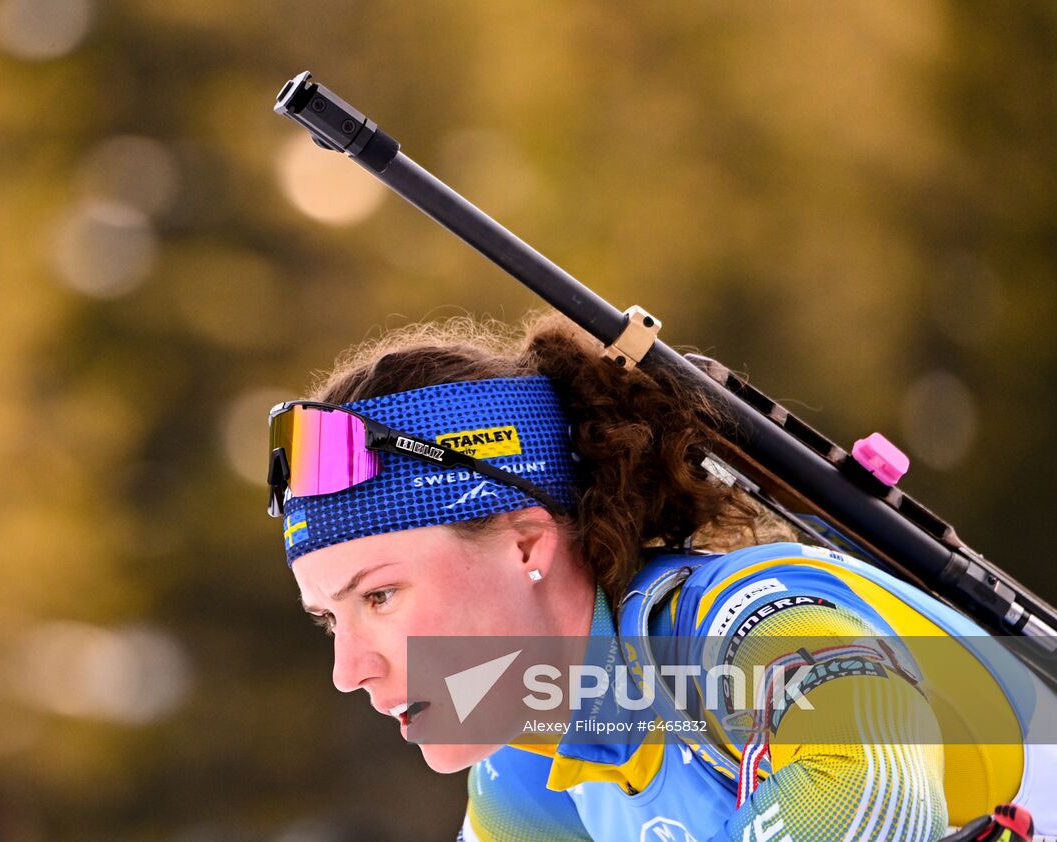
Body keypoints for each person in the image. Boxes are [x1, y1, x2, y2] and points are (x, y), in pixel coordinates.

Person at [268, 312, 1056, 842]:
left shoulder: (744, 623)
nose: (348, 671)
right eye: (330, 619)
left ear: (524, 544)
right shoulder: (527, 764)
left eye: (379, 596)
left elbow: (877, 791)